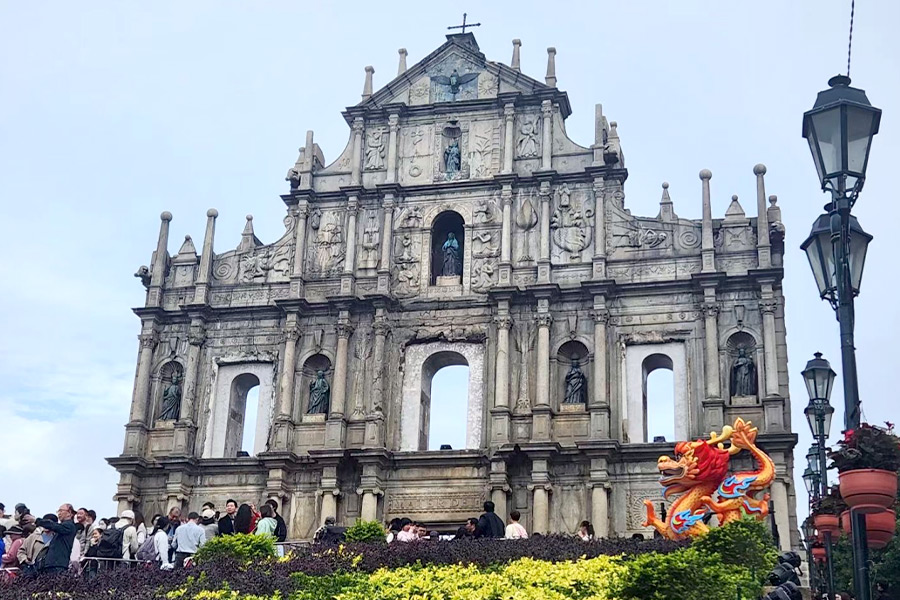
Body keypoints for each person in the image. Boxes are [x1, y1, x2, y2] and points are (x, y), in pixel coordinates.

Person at [35, 504, 77, 575]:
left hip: (58, 565)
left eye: (61, 511)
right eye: (58, 511)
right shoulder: (62, 527)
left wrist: (37, 521)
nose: (59, 513)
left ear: (69, 513)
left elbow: (53, 526)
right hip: (52, 565)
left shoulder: (69, 526)